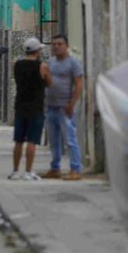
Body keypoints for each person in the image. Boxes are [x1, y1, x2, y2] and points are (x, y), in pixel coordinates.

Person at [9, 37, 52, 181]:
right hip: (36, 107)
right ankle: (28, 171)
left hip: (20, 105)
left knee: (18, 141)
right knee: (32, 141)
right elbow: (49, 83)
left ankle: (15, 171)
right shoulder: (42, 66)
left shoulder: (16, 64)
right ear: (38, 50)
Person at [43, 34, 84, 181]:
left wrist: (72, 103)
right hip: (51, 107)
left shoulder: (73, 63)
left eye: (59, 44)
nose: (56, 46)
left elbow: (79, 84)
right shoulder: (51, 62)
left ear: (66, 46)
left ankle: (76, 168)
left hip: (64, 108)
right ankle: (55, 168)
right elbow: (47, 81)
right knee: (54, 141)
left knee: (70, 139)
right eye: (54, 44)